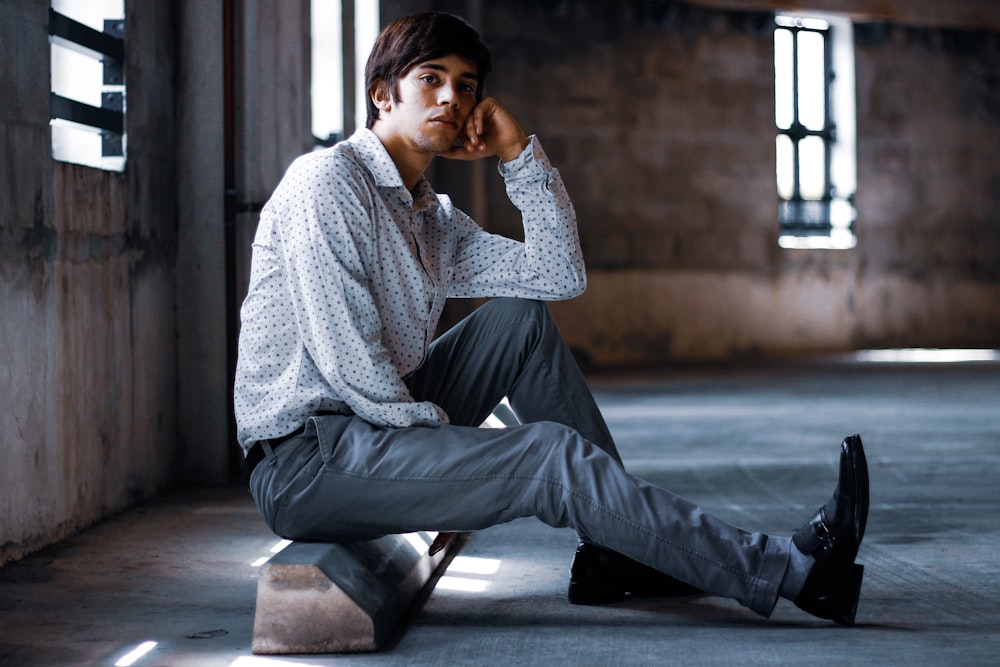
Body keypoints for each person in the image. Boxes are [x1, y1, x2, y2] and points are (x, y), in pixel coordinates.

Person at [234, 10, 869, 625]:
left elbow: (558, 276)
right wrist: (465, 449)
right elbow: (350, 361)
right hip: (307, 460)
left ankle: (615, 549)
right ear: (382, 94)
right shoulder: (328, 183)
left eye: (467, 85)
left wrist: (519, 156)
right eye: (430, 77)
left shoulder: (431, 217)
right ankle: (792, 573)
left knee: (520, 322)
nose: (450, 97)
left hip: (376, 424)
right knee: (546, 458)